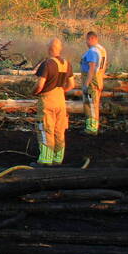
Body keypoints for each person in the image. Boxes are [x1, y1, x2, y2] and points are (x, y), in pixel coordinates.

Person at [33, 37, 75, 165]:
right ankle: (58, 159)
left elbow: (40, 85)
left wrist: (34, 92)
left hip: (48, 100)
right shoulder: (67, 63)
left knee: (45, 129)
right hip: (60, 100)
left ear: (49, 48)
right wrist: (61, 91)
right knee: (59, 130)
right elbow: (71, 85)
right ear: (60, 48)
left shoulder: (47, 64)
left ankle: (45, 160)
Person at [80, 31, 107, 134]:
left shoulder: (92, 51)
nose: (86, 43)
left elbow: (91, 68)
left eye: (87, 40)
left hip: (92, 80)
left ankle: (91, 128)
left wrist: (86, 84)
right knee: (95, 104)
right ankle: (94, 125)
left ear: (91, 39)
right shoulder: (102, 49)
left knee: (90, 104)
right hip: (99, 78)